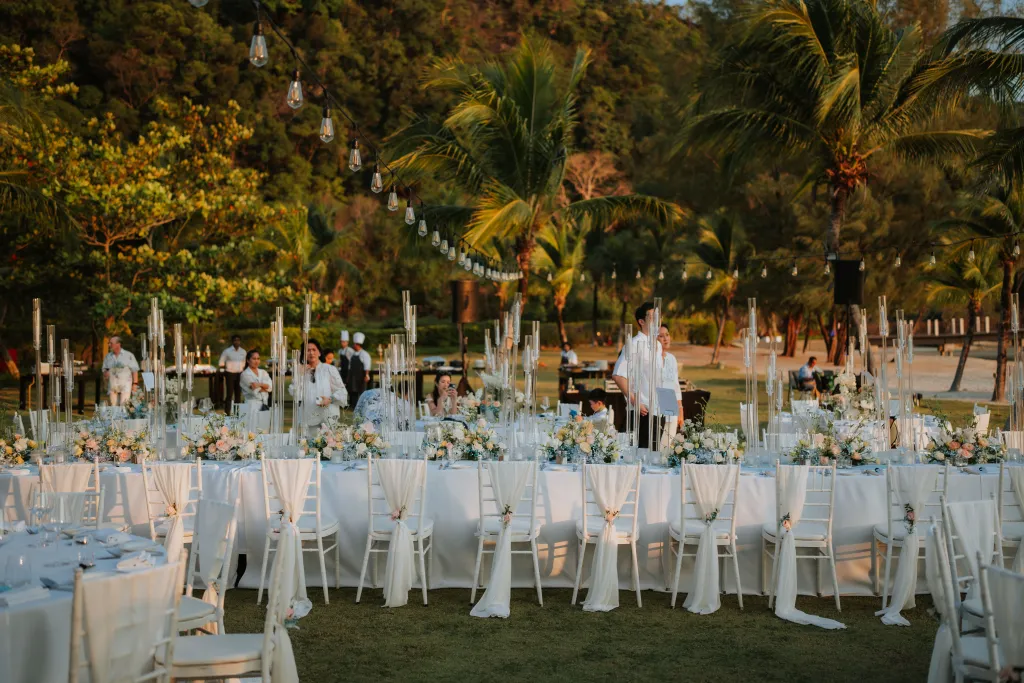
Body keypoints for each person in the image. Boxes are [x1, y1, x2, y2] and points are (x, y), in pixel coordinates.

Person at [612, 302, 663, 449]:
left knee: (655, 454)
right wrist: (635, 401)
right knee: (642, 454)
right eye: (652, 317)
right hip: (642, 411)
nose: (657, 321)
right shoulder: (634, 344)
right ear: (641, 321)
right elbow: (618, 375)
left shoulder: (658, 345)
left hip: (658, 410)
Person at [289, 339, 348, 428]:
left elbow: (342, 391)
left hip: (328, 419)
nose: (311, 353)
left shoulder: (329, 369)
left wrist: (330, 399)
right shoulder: (301, 372)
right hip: (308, 419)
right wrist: (299, 375)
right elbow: (296, 394)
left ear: (319, 353)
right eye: (308, 350)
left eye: (314, 350)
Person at [657, 323, 684, 444]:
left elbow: (676, 386)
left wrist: (680, 409)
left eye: (667, 335)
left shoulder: (672, 359)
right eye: (661, 336)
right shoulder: (650, 359)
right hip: (655, 409)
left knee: (667, 446)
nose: (665, 338)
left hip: (671, 408)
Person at [102, 336, 140, 407]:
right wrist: (106, 373)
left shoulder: (128, 355)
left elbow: (135, 370)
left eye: (111, 343)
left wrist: (135, 384)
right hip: (113, 386)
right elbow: (104, 369)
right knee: (114, 407)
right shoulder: (108, 357)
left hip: (125, 385)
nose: (109, 345)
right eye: (109, 343)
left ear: (118, 344)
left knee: (124, 406)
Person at [218, 335, 247, 415]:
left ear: (240, 341)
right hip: (230, 373)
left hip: (239, 374)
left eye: (238, 340)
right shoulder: (227, 351)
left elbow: (244, 363)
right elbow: (221, 363)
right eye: (235, 340)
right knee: (229, 394)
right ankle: (227, 412)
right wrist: (225, 370)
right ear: (232, 341)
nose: (236, 342)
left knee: (238, 394)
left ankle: (237, 413)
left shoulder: (243, 352)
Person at [348, 332, 372, 407]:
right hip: (353, 376)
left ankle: (363, 405)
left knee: (362, 391)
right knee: (353, 390)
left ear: (358, 345)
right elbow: (350, 365)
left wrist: (367, 375)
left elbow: (367, 366)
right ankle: (353, 405)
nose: (353, 345)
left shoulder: (364, 354)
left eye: (355, 344)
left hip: (361, 376)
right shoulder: (352, 354)